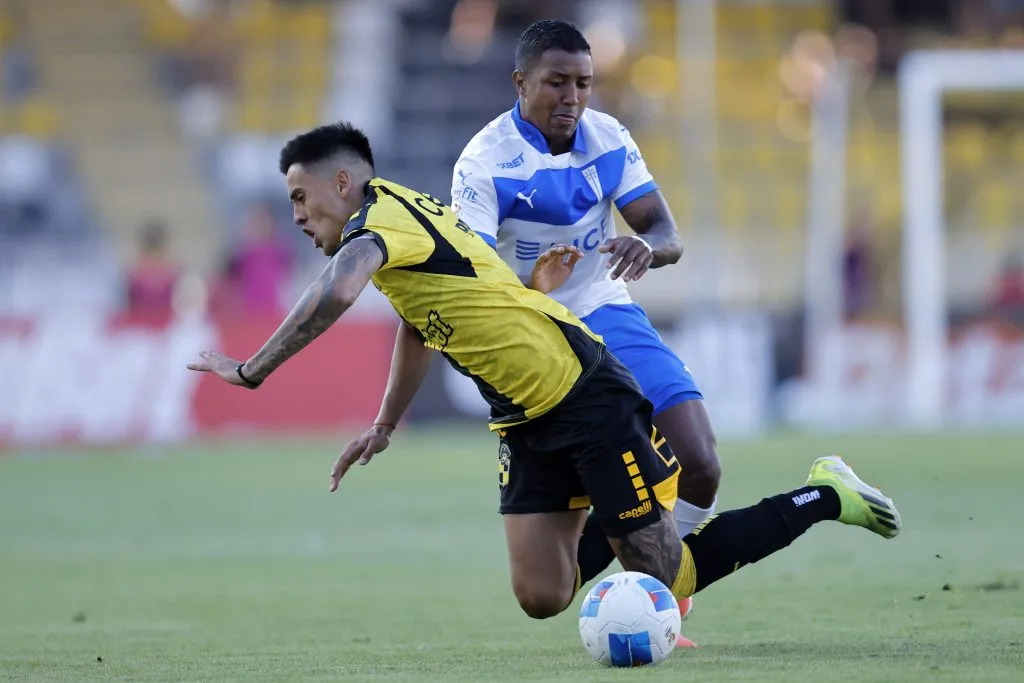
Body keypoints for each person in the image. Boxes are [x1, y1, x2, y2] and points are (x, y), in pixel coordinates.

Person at [187, 122, 902, 630]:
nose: (298, 215)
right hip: (523, 420)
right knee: (542, 594)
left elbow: (338, 289)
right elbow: (414, 324)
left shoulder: (378, 221)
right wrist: (383, 424)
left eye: (300, 198)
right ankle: (633, 512)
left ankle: (824, 494)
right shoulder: (397, 226)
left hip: (582, 392)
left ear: (342, 182)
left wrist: (253, 370)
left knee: (668, 574)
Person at [450, 20, 720, 604]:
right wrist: (534, 293)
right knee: (547, 588)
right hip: (532, 331)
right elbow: (471, 277)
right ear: (520, 82)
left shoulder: (609, 139)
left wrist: (647, 246)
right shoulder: (484, 162)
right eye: (556, 82)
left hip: (603, 308)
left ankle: (665, 593)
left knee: (701, 462)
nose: (572, 97)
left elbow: (665, 230)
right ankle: (650, 582)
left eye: (584, 83)